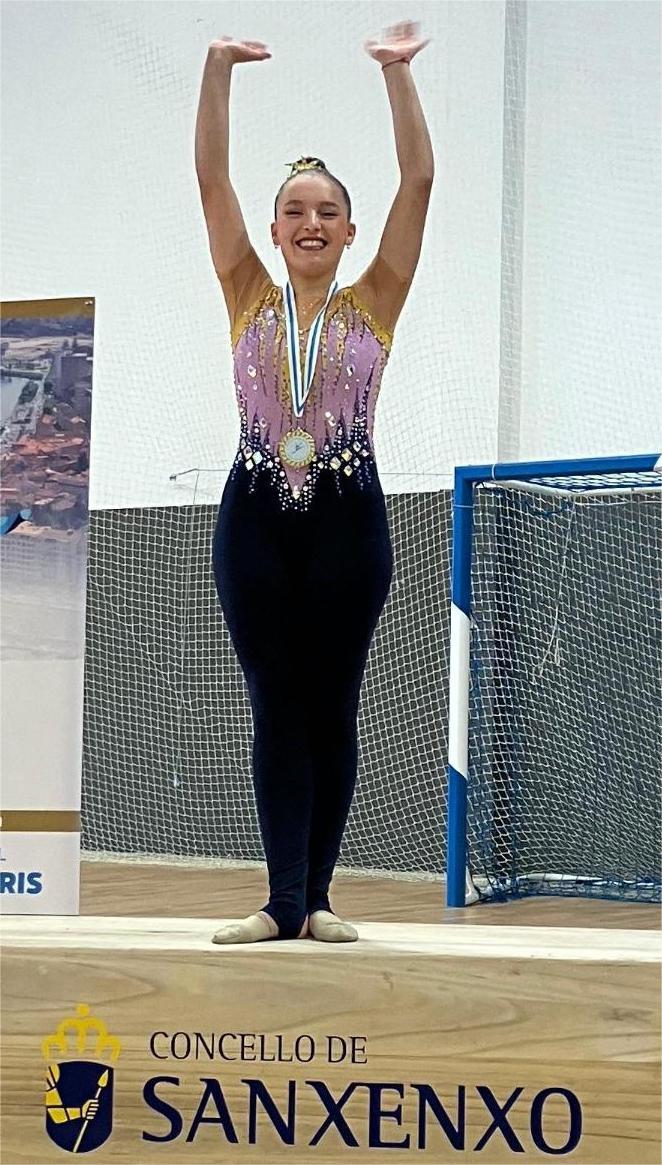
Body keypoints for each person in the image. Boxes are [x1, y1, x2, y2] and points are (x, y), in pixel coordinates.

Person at [195, 21, 433, 943]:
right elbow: (211, 178)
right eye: (295, 209)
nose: (311, 222)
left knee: (333, 704)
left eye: (327, 211)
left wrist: (397, 75)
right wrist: (218, 70)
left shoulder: (376, 300)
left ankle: (321, 899)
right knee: (274, 704)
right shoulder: (245, 292)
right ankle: (281, 900)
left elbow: (418, 181)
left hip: (348, 525)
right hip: (254, 523)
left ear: (349, 230)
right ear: (273, 228)